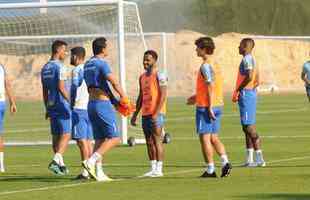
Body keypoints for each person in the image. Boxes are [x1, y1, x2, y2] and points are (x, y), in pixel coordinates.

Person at [83, 37, 128, 182]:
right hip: (102, 104)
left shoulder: (87, 64)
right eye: (107, 47)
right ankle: (90, 161)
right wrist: (123, 96)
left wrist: (114, 102)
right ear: (103, 49)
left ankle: (99, 172)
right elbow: (113, 81)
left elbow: (100, 85)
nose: (108, 49)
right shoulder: (102, 64)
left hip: (91, 104)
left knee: (100, 139)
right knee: (115, 138)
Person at [187, 37, 232, 178]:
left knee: (205, 138)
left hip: (207, 107)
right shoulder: (216, 63)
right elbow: (213, 85)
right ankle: (225, 162)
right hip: (218, 103)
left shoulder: (205, 65)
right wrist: (196, 97)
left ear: (204, 49)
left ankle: (210, 169)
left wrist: (209, 106)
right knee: (214, 137)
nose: (196, 50)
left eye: (198, 48)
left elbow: (210, 85)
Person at [131, 50, 168, 177]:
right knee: (148, 141)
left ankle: (159, 169)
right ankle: (152, 168)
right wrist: (135, 114)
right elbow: (141, 96)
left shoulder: (160, 74)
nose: (145, 62)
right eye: (144, 59)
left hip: (157, 113)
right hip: (146, 113)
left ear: (154, 60)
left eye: (148, 60)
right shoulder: (142, 77)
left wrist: (156, 113)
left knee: (157, 139)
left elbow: (163, 95)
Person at [232, 38, 266, 167]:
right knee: (245, 127)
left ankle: (260, 158)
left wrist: (240, 89)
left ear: (246, 47)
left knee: (249, 127)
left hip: (246, 93)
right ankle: (250, 160)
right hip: (249, 93)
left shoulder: (247, 59)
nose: (238, 47)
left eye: (240, 45)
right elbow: (256, 79)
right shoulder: (252, 59)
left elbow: (250, 76)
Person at [41, 40, 72, 175]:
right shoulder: (60, 67)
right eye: (64, 51)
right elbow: (61, 87)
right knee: (66, 134)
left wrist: (47, 107)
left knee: (56, 135)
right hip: (62, 104)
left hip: (52, 104)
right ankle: (56, 159)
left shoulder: (45, 67)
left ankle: (61, 165)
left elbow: (44, 91)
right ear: (58, 50)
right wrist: (71, 101)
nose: (66, 54)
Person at [70, 46, 94, 180]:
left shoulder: (76, 70)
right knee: (89, 141)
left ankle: (85, 172)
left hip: (79, 108)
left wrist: (70, 103)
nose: (70, 58)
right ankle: (91, 169)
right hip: (89, 107)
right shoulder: (89, 68)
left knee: (81, 141)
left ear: (75, 56)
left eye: (71, 55)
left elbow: (74, 87)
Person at [0, 64, 17, 173]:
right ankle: (1, 165)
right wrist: (12, 102)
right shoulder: (1, 66)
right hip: (2, 103)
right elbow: (7, 84)